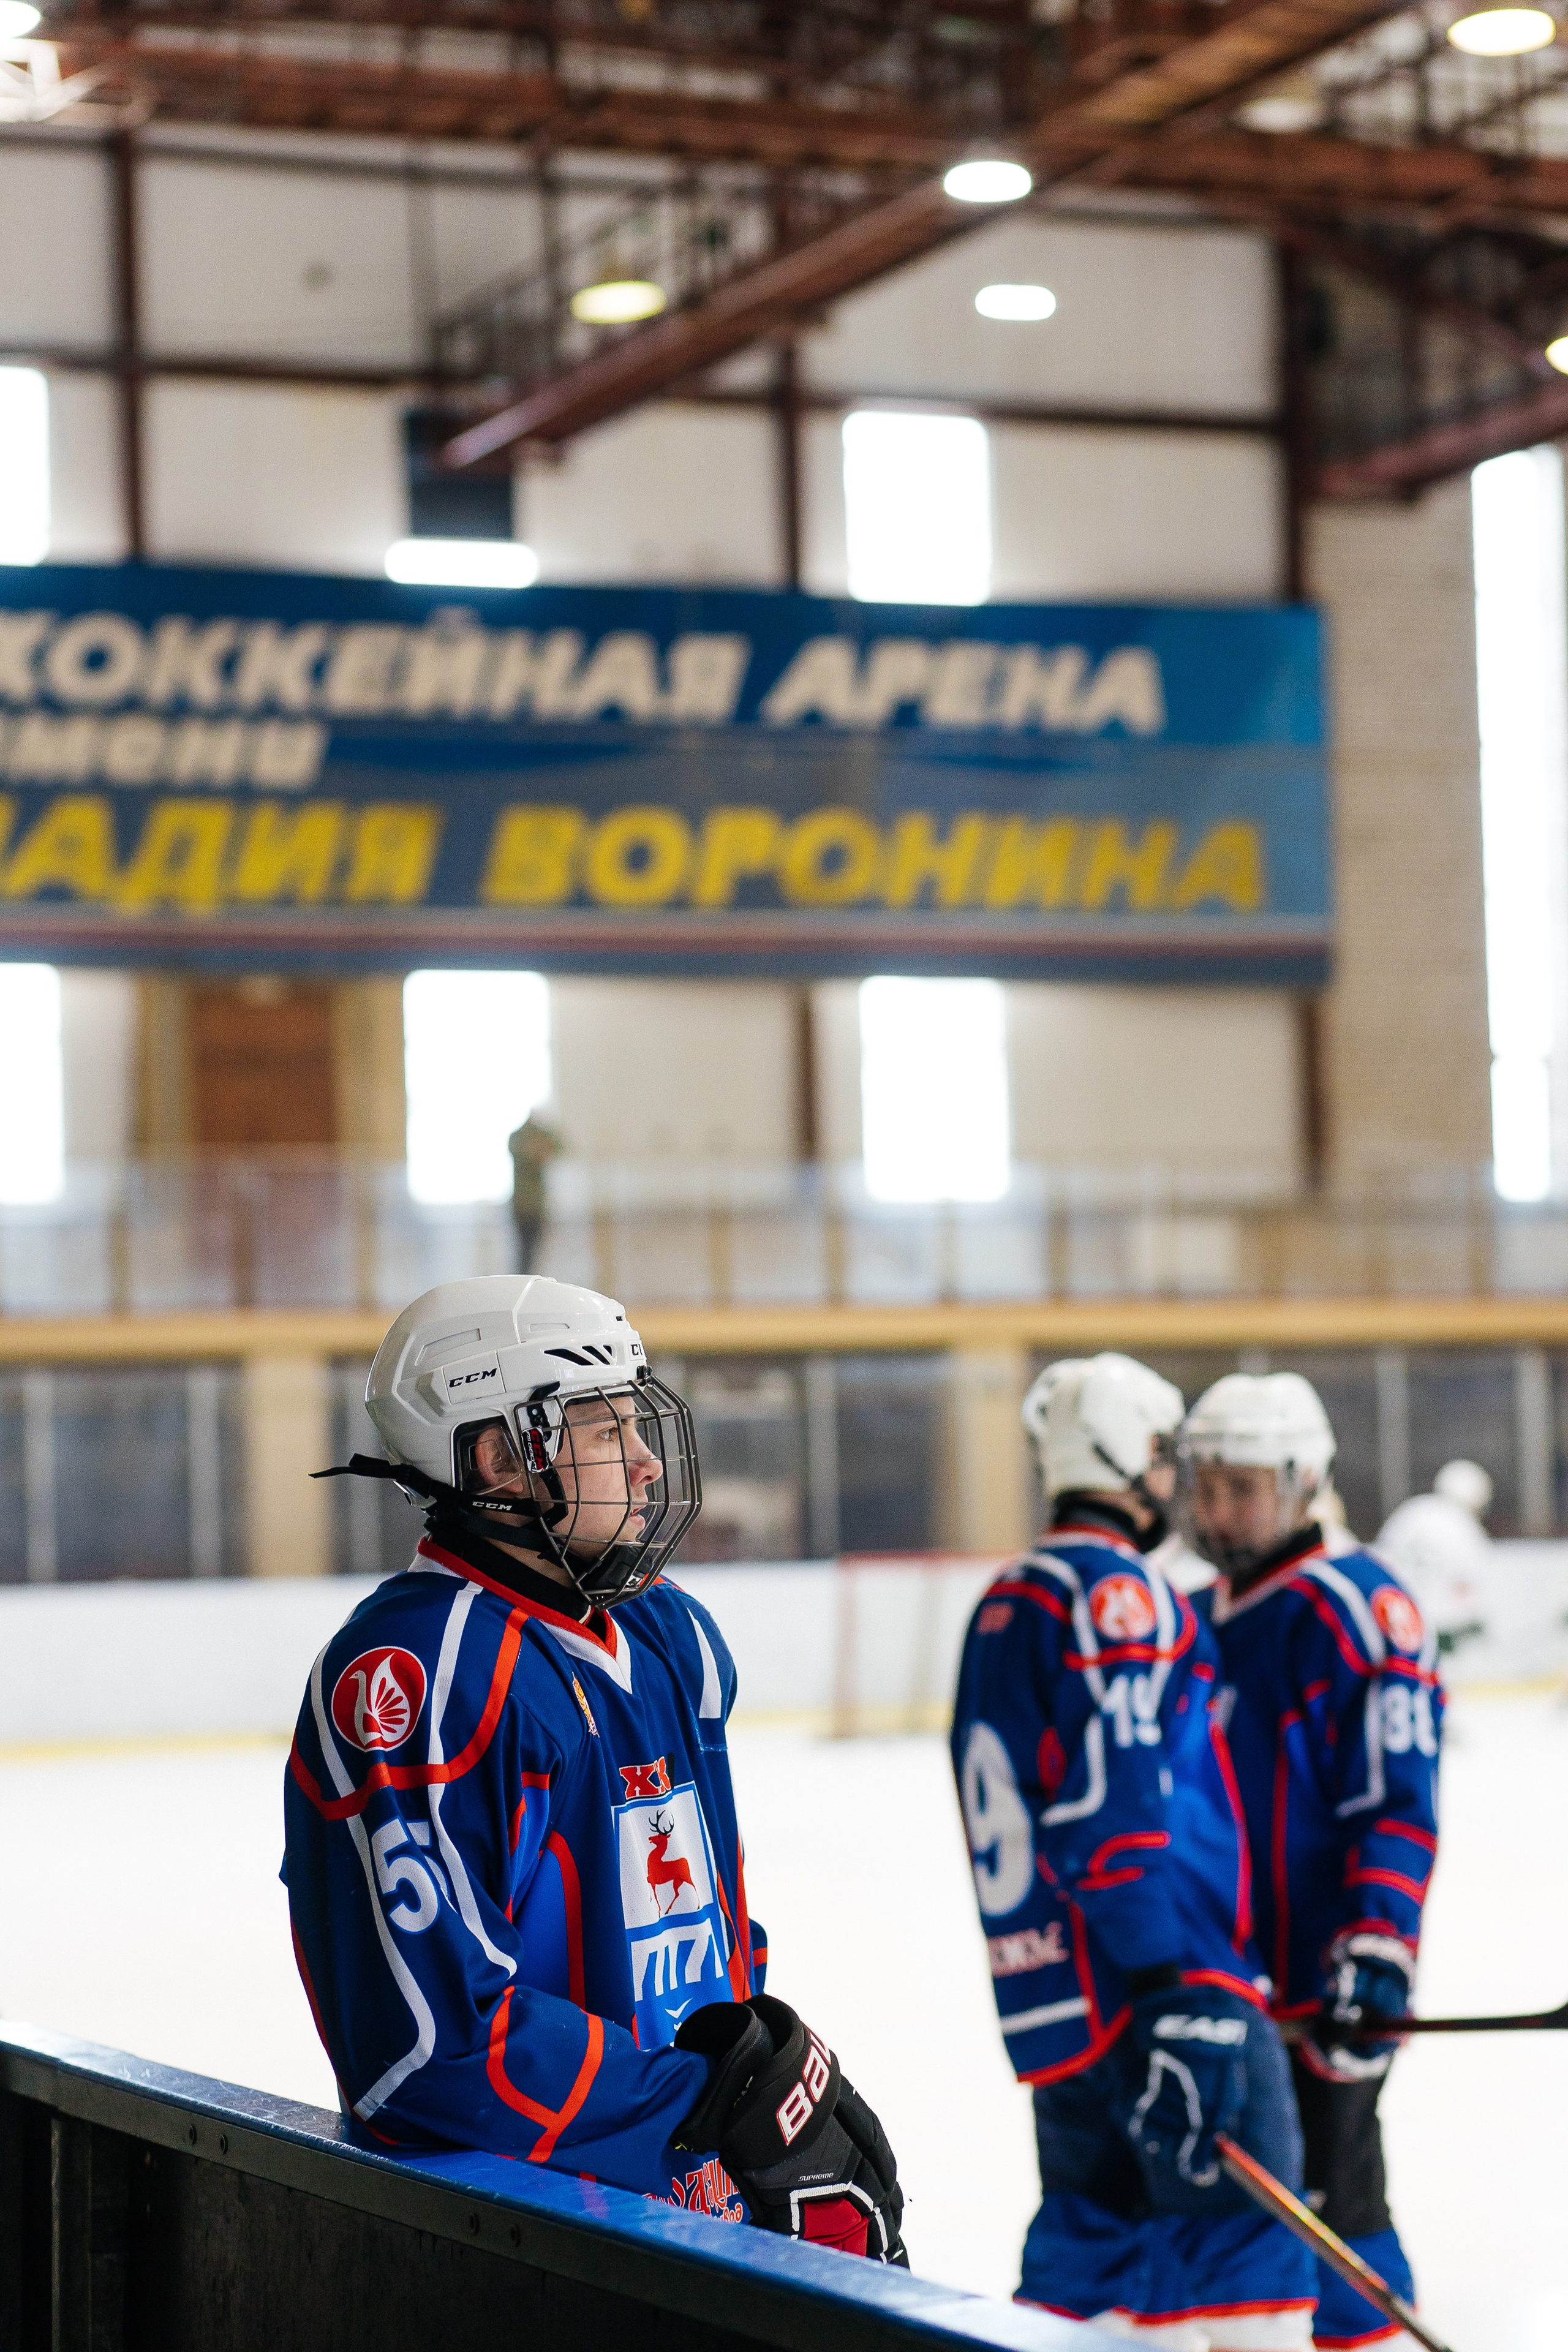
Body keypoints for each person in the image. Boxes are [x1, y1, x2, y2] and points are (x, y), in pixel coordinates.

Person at [285, 1273, 904, 2258]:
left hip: (684, 2201)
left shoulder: (667, 1633)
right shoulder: (421, 1674)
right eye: (608, 1432)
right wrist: (703, 2106)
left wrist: (752, 2082)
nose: (649, 1467)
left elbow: (706, 1925)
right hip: (523, 2241)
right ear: (499, 1457)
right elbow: (424, 2050)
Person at [951, 1352, 1316, 2349]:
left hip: (1056, 2003)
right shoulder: (1121, 1594)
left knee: (1097, 2287)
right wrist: (1174, 1998)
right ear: (1126, 1455)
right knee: (1253, 2288)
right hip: (1165, 1985)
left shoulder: (1006, 1598)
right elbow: (1115, 1813)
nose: (1174, 1486)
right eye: (1164, 1459)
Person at [1180, 1374, 1443, 2352]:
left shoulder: (1359, 1609)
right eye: (1205, 1487)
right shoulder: (1196, 1611)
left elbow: (1398, 1804)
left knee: (1338, 2199)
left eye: (1240, 1488)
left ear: (1305, 1480)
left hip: (1320, 1982)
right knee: (1241, 2225)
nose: (1216, 1512)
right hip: (1222, 1982)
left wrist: (1378, 1945)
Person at [1376, 1460, 1491, 1654]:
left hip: (1399, 1624)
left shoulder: (1410, 1512)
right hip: (1445, 1631)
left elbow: (1381, 1562)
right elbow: (1469, 1592)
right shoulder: (1466, 1528)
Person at [507, 1110, 563, 1274]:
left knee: (535, 1252)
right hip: (522, 1206)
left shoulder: (539, 1136)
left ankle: (530, 1280)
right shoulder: (518, 1138)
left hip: (536, 1207)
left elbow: (559, 1148)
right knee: (523, 1252)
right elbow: (531, 1154)